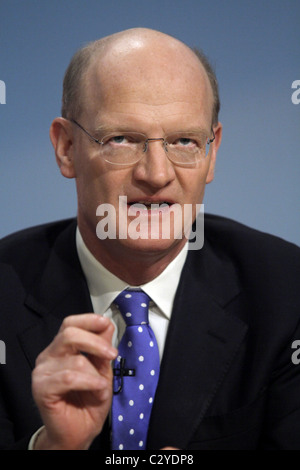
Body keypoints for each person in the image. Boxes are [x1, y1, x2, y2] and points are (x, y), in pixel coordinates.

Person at [0, 27, 300, 451]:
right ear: (66, 148)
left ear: (211, 154)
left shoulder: (287, 291)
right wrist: (55, 447)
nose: (156, 174)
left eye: (184, 141)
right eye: (122, 139)